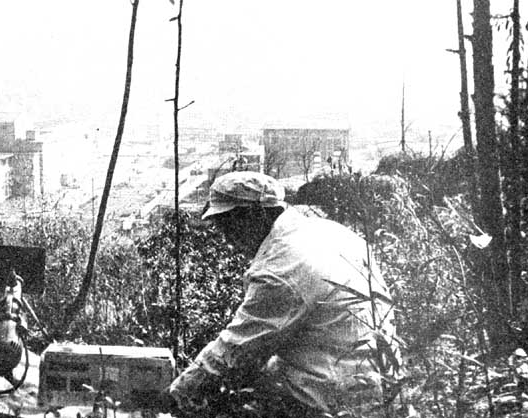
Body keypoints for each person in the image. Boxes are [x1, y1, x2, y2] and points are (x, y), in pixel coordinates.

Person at [168, 171, 399, 417]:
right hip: (381, 385)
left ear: (254, 215)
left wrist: (176, 394)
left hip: (330, 400)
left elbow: (236, 350)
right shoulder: (332, 231)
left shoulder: (280, 268)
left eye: (228, 225)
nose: (227, 239)